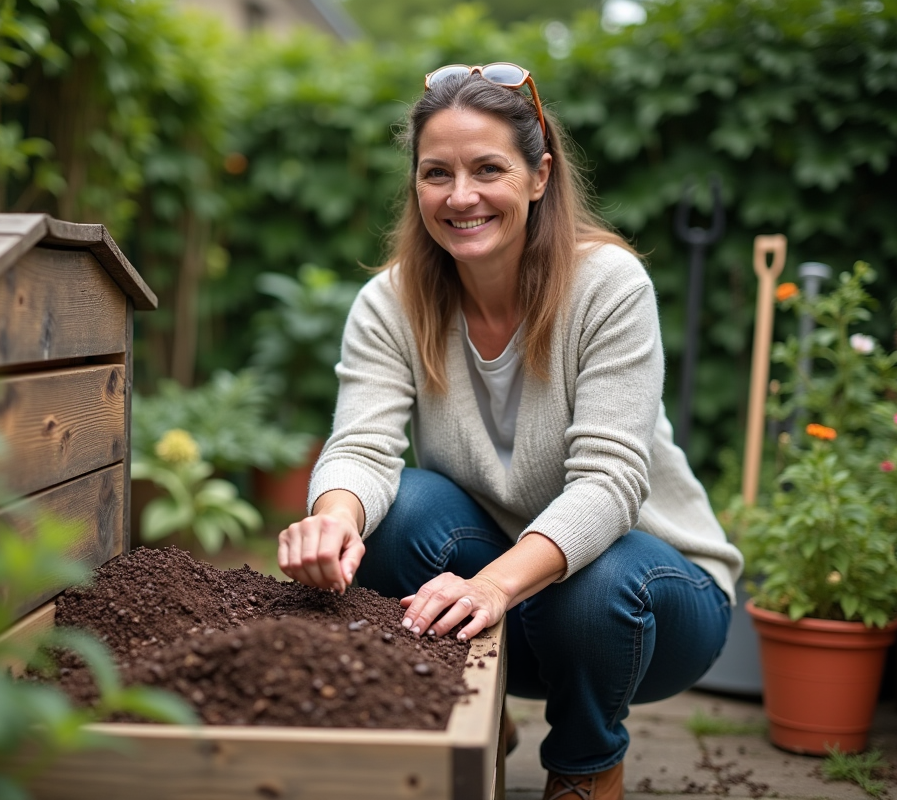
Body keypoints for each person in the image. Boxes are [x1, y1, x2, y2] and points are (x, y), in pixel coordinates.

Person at [276, 63, 742, 800]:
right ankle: (473, 710)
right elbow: (362, 446)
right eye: (437, 173)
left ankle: (586, 767)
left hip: (652, 609)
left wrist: (494, 584)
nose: (460, 196)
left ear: (539, 175)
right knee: (398, 510)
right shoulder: (390, 302)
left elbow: (610, 484)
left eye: (488, 169)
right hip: (509, 608)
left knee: (597, 578)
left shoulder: (607, 285)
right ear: (416, 184)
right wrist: (333, 521)